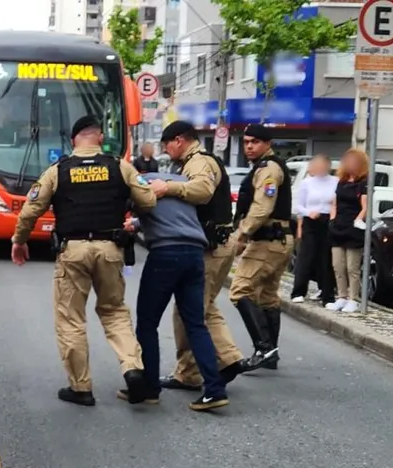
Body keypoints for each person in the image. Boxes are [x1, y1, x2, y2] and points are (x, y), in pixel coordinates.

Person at [11, 115, 157, 406]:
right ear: (100, 137)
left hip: (73, 250)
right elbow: (149, 201)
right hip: (110, 248)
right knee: (115, 312)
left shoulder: (58, 170)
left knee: (71, 319)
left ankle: (81, 388)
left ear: (74, 140)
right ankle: (133, 369)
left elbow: (30, 210)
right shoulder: (120, 166)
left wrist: (19, 240)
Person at [146, 121, 246, 391]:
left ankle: (188, 374)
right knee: (206, 306)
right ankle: (228, 359)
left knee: (187, 311)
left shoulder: (198, 162)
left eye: (167, 145)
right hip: (218, 242)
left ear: (179, 140)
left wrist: (167, 188)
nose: (166, 152)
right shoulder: (196, 161)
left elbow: (202, 191)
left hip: (211, 247)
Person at [123, 171, 230, 411]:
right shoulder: (180, 183)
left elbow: (135, 205)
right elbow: (174, 213)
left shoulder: (141, 184)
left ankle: (150, 388)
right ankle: (215, 389)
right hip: (194, 254)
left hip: (165, 253)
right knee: (196, 324)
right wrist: (138, 224)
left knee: (148, 323)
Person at [229, 124, 295, 371]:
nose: (249, 146)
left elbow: (262, 208)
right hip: (277, 240)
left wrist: (242, 234)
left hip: (267, 239)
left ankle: (264, 348)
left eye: (255, 142)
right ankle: (271, 353)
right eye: (246, 142)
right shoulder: (264, 167)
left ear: (268, 143)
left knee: (240, 290)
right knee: (267, 295)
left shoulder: (268, 169)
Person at [326, 148, 370, 314]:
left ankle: (353, 299)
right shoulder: (341, 181)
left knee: (352, 266)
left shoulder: (363, 183)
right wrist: (332, 220)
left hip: (353, 228)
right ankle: (341, 296)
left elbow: (365, 207)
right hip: (338, 226)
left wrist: (357, 221)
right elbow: (335, 204)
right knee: (338, 265)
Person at [290, 154, 338, 305]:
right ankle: (298, 291)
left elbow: (337, 202)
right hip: (311, 220)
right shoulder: (307, 183)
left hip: (328, 221)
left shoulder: (335, 182)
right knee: (306, 256)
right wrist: (308, 213)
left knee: (326, 258)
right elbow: (299, 205)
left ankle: (327, 294)